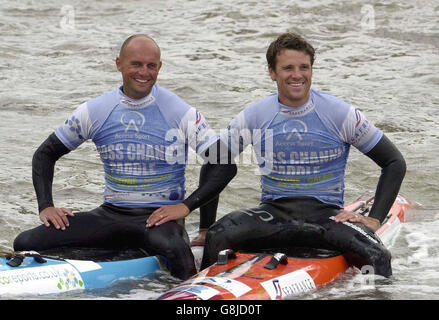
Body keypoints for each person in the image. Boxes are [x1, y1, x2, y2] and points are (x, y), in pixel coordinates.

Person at [13, 34, 236, 280]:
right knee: (25, 241)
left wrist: (185, 207)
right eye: (136, 64)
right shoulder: (96, 110)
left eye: (152, 65)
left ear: (159, 67)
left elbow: (224, 163)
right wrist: (46, 206)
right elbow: (45, 154)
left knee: (177, 252)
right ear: (119, 64)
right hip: (111, 214)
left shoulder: (178, 111)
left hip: (159, 219)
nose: (144, 72)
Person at [200, 33, 406, 277]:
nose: (297, 75)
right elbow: (215, 161)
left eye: (304, 67)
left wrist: (374, 220)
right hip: (273, 214)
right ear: (272, 72)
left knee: (377, 256)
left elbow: (394, 162)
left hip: (327, 218)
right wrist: (205, 228)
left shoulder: (340, 114)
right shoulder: (256, 115)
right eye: (288, 68)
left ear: (311, 70)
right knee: (217, 236)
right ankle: (202, 292)